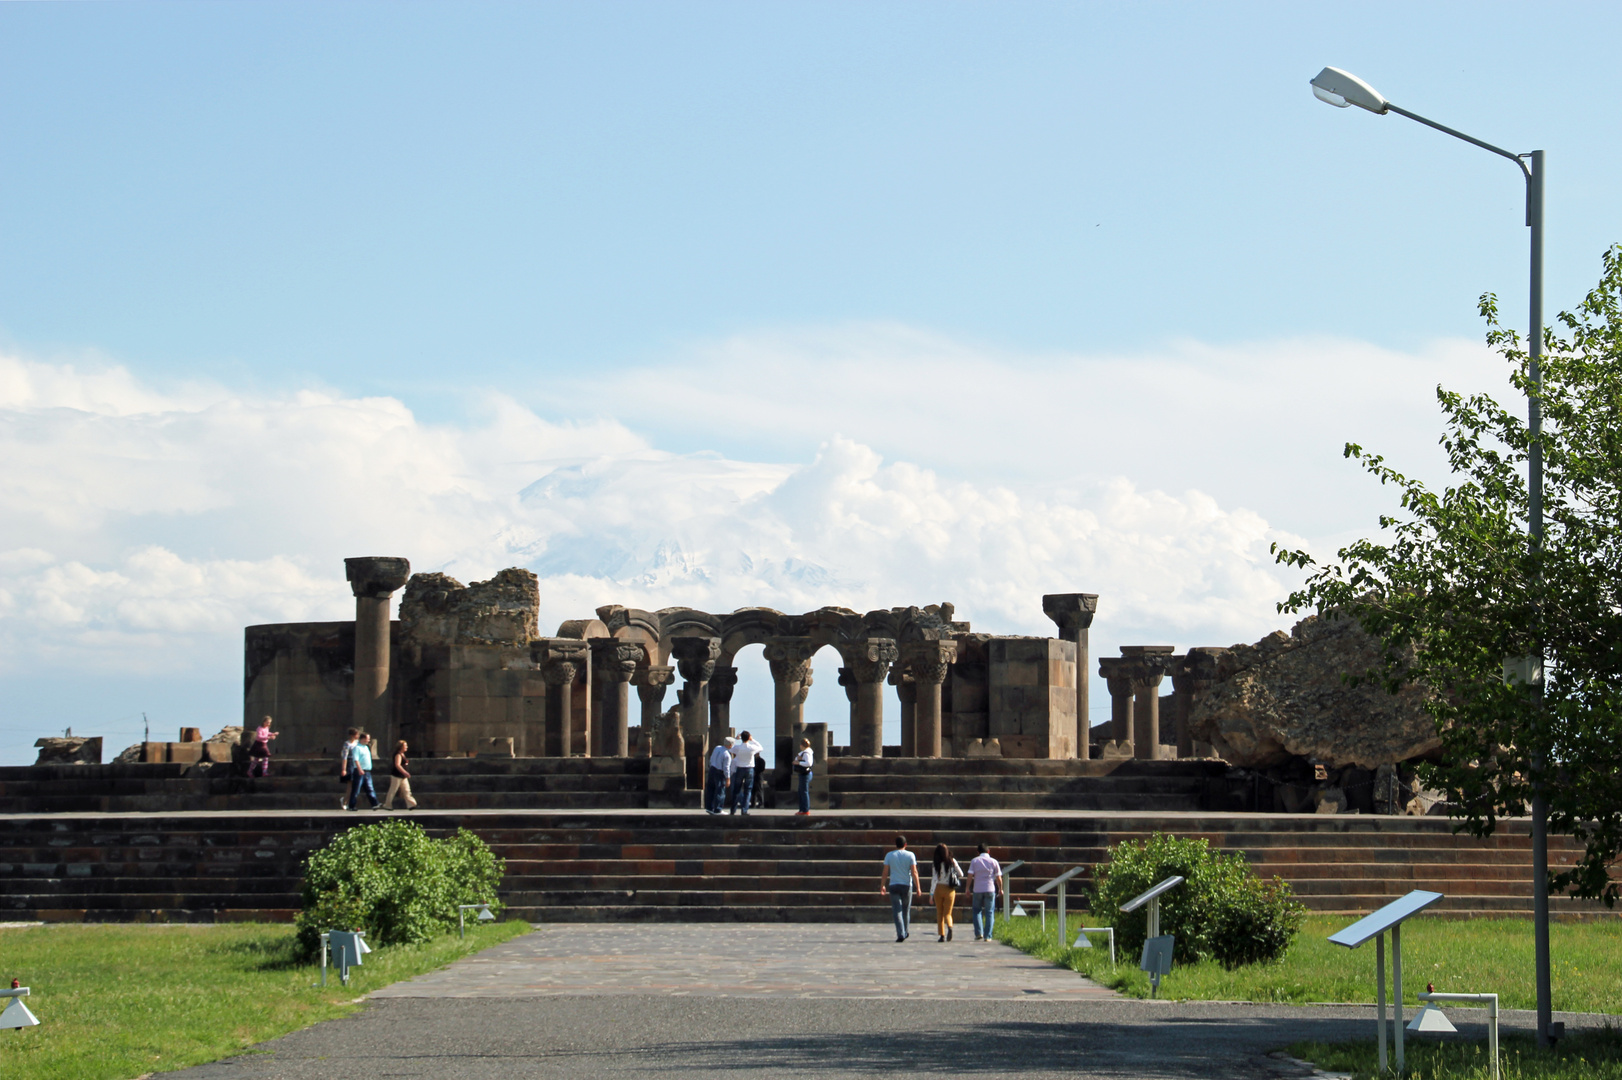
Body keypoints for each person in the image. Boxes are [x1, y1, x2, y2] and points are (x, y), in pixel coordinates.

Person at [880, 835, 922, 942]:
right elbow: (914, 872)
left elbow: (885, 872)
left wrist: (882, 885)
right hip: (907, 885)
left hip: (894, 884)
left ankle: (900, 933)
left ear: (896, 844)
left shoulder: (889, 855)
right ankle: (905, 931)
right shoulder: (910, 855)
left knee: (897, 910)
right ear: (905, 844)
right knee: (905, 910)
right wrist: (918, 887)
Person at [965, 842, 1003, 942]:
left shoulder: (974, 861)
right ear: (988, 851)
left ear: (978, 852)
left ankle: (979, 933)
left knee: (977, 911)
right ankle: (988, 936)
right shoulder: (994, 862)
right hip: (990, 889)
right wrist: (1000, 888)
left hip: (977, 889)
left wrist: (967, 888)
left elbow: (970, 876)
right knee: (989, 912)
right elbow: (998, 877)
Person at [930, 843, 964, 942]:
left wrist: (931, 894)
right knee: (948, 913)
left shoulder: (936, 863)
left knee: (939, 913)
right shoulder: (952, 861)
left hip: (938, 888)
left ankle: (942, 935)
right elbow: (961, 874)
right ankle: (950, 926)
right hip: (950, 889)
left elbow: (934, 879)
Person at [730, 731, 763, 816]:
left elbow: (730, 748)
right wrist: (753, 740)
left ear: (741, 738)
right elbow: (760, 747)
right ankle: (744, 810)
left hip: (740, 768)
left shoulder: (738, 747)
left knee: (736, 790)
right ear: (748, 738)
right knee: (748, 790)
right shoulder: (751, 747)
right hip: (749, 769)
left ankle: (733, 810)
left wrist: (735, 739)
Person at [347, 732, 379, 811]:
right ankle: (351, 805)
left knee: (370, 788)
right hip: (359, 771)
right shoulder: (356, 748)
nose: (368, 740)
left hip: (367, 771)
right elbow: (356, 760)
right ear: (363, 739)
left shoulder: (366, 747)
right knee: (356, 789)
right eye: (367, 739)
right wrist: (359, 769)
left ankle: (375, 804)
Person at [383, 739, 418, 810]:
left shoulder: (402, 754)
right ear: (400, 747)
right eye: (405, 746)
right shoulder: (398, 754)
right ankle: (387, 805)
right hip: (397, 775)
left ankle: (411, 804)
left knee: (407, 790)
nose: (407, 747)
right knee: (393, 790)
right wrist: (404, 772)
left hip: (402, 776)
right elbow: (397, 765)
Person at [706, 736, 735, 815]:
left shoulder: (717, 748)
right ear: (730, 745)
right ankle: (718, 809)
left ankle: (709, 807)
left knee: (710, 789)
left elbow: (711, 758)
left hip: (712, 769)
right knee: (720, 791)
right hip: (720, 772)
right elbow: (726, 768)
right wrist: (728, 778)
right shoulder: (727, 755)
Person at [338, 727, 359, 809]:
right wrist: (344, 769)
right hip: (350, 763)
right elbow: (344, 757)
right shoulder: (347, 744)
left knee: (356, 785)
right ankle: (345, 801)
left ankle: (349, 801)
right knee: (350, 785)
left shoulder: (357, 743)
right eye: (356, 734)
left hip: (356, 763)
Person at [792, 737, 814, 815]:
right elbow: (797, 758)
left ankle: (805, 810)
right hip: (803, 774)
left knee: (804, 792)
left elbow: (809, 763)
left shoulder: (807, 753)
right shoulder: (804, 753)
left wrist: (799, 763)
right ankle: (802, 809)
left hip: (805, 774)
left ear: (802, 745)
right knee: (801, 791)